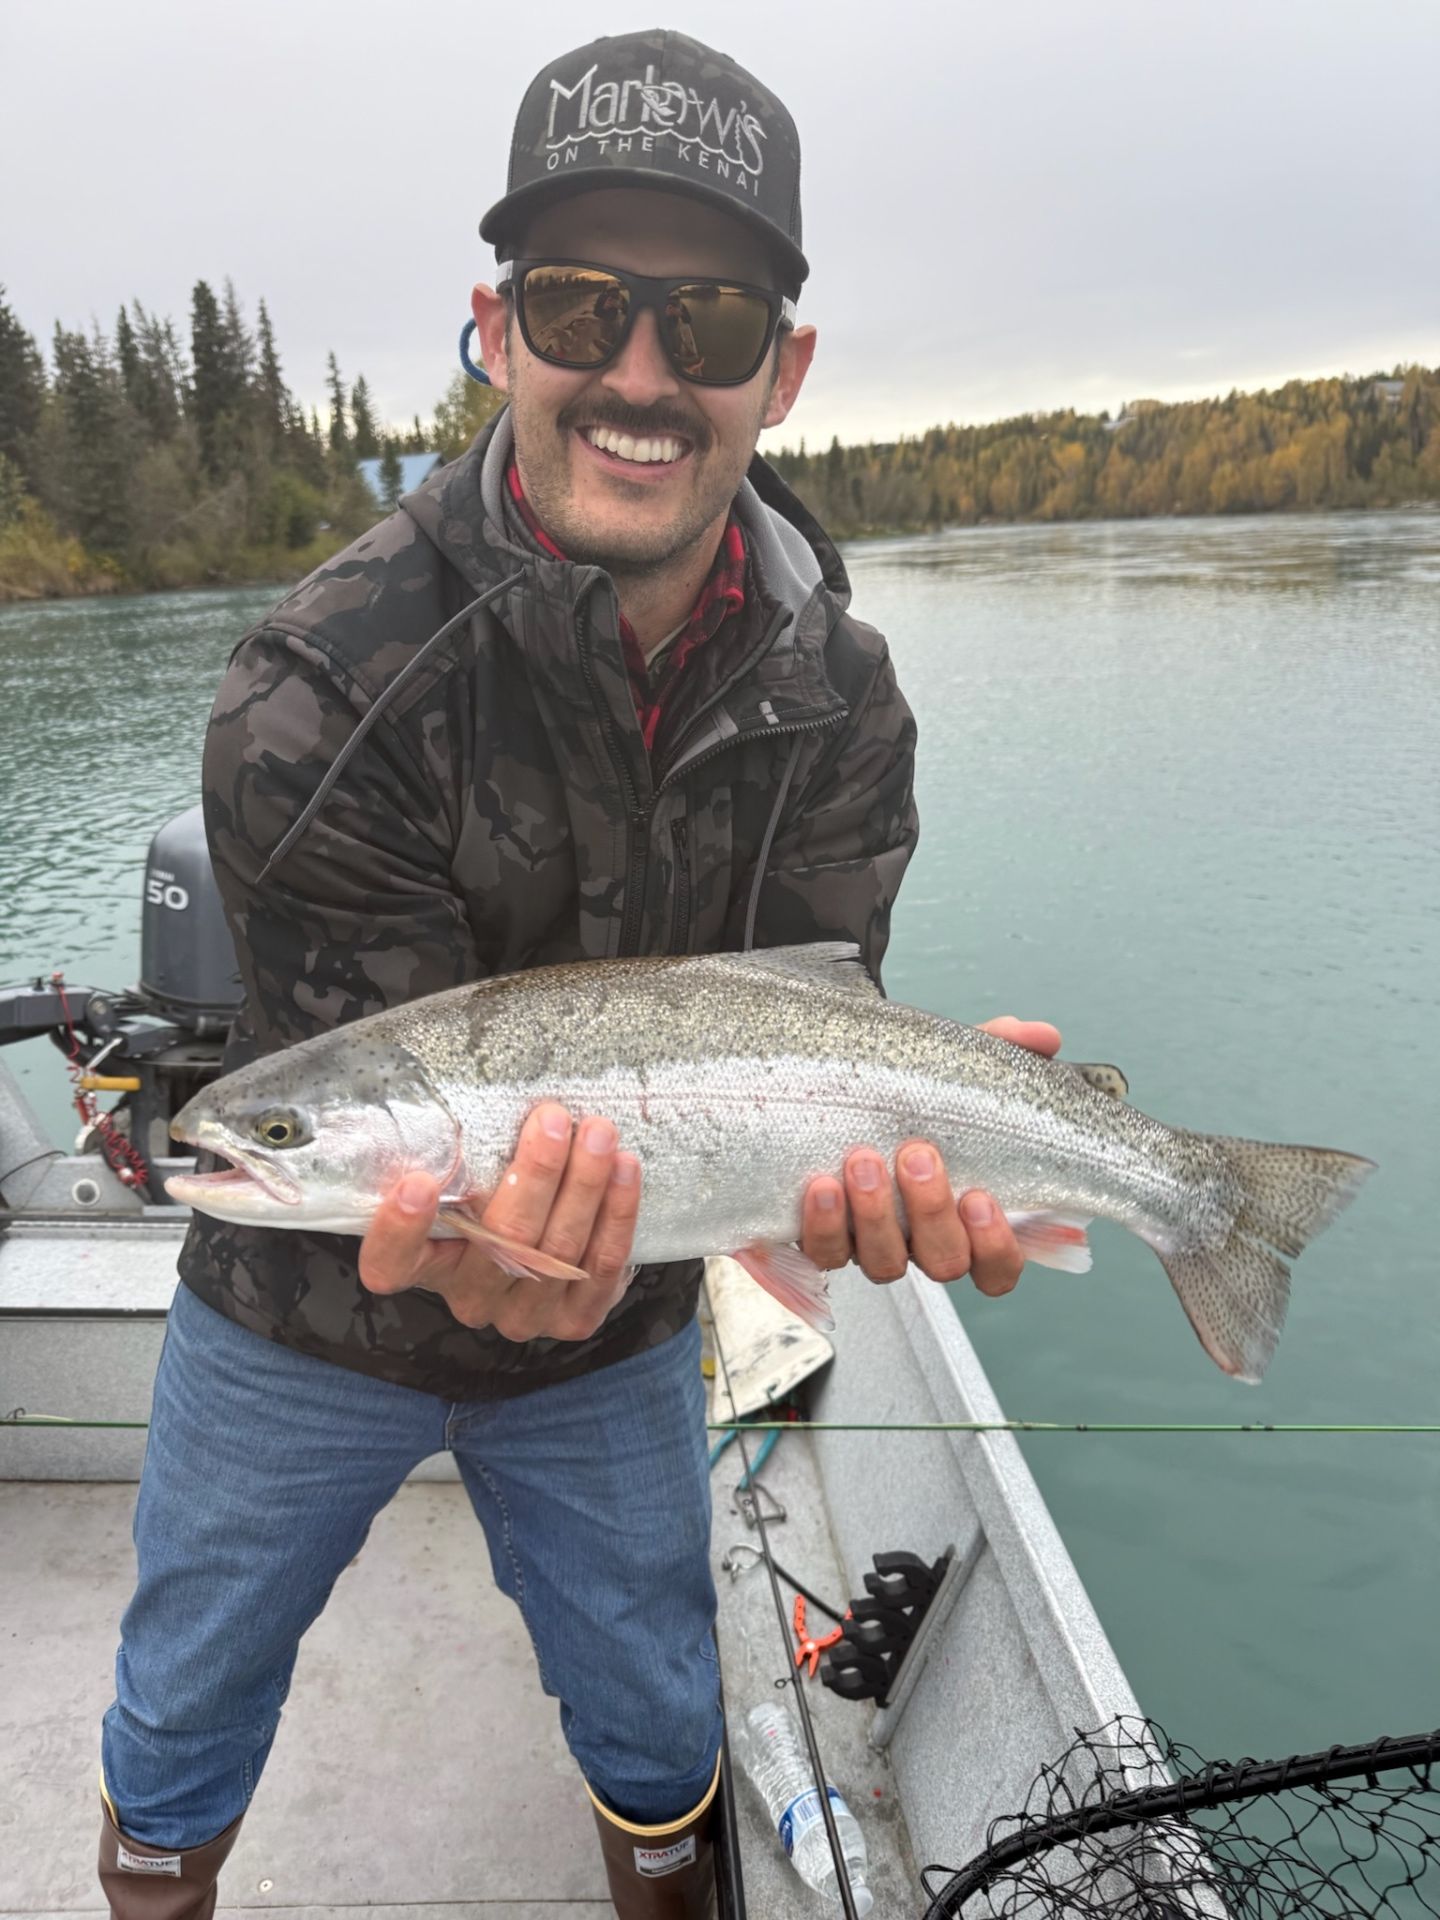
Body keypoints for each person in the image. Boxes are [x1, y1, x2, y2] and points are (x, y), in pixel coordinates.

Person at [95, 28, 1058, 1919]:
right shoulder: (317, 686)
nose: (639, 373)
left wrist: (898, 1154)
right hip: (303, 1314)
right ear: (497, 330)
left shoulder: (842, 698)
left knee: (652, 1707)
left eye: (708, 321)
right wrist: (451, 1228)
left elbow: (811, 1017)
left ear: (782, 369)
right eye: (578, 306)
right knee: (183, 1701)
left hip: (618, 1333)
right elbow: (373, 1123)